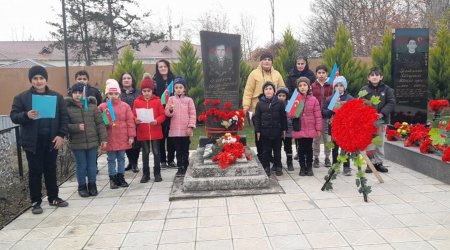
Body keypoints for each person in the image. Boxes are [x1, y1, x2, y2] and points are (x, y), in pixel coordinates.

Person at [10, 65, 69, 214]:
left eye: (41, 78)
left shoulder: (57, 97)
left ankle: (53, 197)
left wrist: (61, 135)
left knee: (51, 170)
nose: (38, 81)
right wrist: (26, 115)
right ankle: (36, 201)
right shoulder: (21, 97)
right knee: (35, 172)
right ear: (31, 80)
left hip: (52, 140)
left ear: (45, 79)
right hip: (32, 142)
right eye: (35, 78)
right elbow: (14, 116)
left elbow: (64, 118)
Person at [65, 82, 107, 197]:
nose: (78, 95)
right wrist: (76, 127)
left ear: (85, 94)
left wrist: (103, 139)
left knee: (92, 166)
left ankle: (92, 185)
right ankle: (82, 186)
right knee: (81, 165)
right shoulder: (67, 108)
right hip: (77, 143)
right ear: (71, 94)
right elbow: (64, 125)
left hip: (92, 142)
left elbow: (100, 124)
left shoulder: (92, 107)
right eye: (75, 93)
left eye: (80, 93)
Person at [242, 51, 285, 162]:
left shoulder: (277, 74)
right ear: (261, 61)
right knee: (259, 132)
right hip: (257, 108)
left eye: (269, 59)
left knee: (273, 133)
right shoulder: (254, 74)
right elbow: (248, 91)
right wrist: (246, 106)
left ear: (272, 62)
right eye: (264, 59)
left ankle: (271, 156)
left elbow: (282, 89)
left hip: (274, 108)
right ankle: (261, 154)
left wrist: (283, 104)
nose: (267, 61)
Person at [99, 79, 136, 189]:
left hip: (122, 136)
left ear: (119, 93)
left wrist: (131, 136)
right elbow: (99, 123)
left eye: (116, 93)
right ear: (107, 94)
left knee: (121, 158)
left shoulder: (125, 106)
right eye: (110, 93)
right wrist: (106, 122)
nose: (113, 96)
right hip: (110, 137)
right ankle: (112, 178)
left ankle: (121, 176)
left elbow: (130, 122)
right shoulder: (102, 107)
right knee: (111, 159)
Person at [360, 67, 395, 173]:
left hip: (381, 121)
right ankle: (370, 163)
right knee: (369, 142)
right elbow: (360, 102)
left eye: (377, 75)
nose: (374, 77)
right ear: (368, 77)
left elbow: (391, 102)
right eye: (372, 75)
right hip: (368, 121)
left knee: (379, 142)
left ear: (381, 77)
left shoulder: (387, 89)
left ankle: (379, 163)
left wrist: (382, 113)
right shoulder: (364, 90)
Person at [133, 78, 166, 183]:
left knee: (156, 152)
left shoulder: (157, 101)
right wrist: (135, 120)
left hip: (155, 131)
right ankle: (145, 174)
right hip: (143, 132)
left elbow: (162, 115)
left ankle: (157, 174)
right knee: (145, 153)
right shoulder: (137, 101)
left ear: (152, 91)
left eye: (149, 91)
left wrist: (157, 121)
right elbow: (133, 114)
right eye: (144, 91)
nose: (146, 93)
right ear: (141, 91)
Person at [285, 56, 316, 161]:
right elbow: (288, 88)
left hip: (308, 101)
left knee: (307, 127)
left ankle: (308, 151)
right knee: (297, 126)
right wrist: (294, 97)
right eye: (298, 63)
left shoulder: (311, 75)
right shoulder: (291, 74)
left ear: (306, 64)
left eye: (302, 63)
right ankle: (299, 151)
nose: (300, 65)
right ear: (295, 64)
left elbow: (313, 87)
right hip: (295, 101)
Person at [254, 82, 287, 176]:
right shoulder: (259, 104)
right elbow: (257, 119)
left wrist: (284, 129)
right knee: (266, 151)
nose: (268, 91)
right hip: (265, 132)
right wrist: (258, 131)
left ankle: (278, 166)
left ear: (274, 91)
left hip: (277, 131)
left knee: (277, 151)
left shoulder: (279, 103)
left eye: (270, 89)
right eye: (266, 89)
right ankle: (266, 167)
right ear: (263, 91)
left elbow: (283, 117)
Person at [165, 77, 196, 177]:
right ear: (174, 89)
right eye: (176, 87)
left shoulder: (189, 100)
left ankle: (185, 166)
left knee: (185, 149)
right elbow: (167, 114)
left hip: (185, 130)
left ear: (184, 89)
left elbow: (192, 114)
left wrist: (190, 126)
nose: (178, 89)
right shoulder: (171, 99)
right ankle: (180, 167)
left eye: (180, 87)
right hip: (175, 131)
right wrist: (170, 110)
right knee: (178, 150)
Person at [322, 76, 353, 176]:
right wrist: (332, 108)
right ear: (334, 87)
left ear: (345, 87)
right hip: (334, 127)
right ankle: (335, 165)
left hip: (346, 127)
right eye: (337, 86)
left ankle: (346, 166)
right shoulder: (329, 99)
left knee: (345, 147)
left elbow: (354, 113)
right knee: (335, 147)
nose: (339, 88)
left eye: (341, 86)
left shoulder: (350, 98)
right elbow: (324, 113)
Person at [291, 77, 322, 176]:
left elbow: (318, 115)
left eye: (304, 85)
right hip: (300, 128)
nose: (302, 87)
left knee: (309, 148)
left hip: (310, 128)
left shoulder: (314, 100)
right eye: (300, 86)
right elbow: (290, 114)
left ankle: (309, 167)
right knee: (300, 149)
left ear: (308, 87)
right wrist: (298, 106)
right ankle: (302, 167)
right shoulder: (295, 99)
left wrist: (318, 128)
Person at [153, 59, 176, 169]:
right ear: (157, 69)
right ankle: (162, 160)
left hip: (172, 111)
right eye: (160, 67)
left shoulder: (174, 79)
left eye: (164, 66)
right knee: (161, 137)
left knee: (172, 137)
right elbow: (152, 96)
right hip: (159, 111)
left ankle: (171, 159)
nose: (162, 68)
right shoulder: (154, 81)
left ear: (168, 67)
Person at [311, 65, 333, 168]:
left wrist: (330, 112)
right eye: (319, 73)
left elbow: (334, 100)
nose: (321, 75)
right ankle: (316, 157)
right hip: (316, 116)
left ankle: (327, 157)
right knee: (316, 138)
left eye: (323, 73)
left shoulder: (331, 86)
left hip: (327, 116)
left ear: (327, 74)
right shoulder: (312, 86)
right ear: (316, 74)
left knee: (327, 138)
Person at [118, 72, 141, 173]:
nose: (126, 80)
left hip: (136, 121)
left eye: (128, 78)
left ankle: (135, 163)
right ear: (121, 81)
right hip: (122, 123)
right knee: (127, 142)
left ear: (132, 80)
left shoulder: (138, 93)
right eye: (124, 78)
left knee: (136, 143)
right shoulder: (118, 94)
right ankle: (130, 162)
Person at [275, 87, 294, 171]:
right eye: (279, 95)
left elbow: (292, 116)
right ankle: (277, 163)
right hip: (277, 130)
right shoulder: (274, 104)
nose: (281, 97)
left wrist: (289, 124)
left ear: (286, 96)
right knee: (277, 147)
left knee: (288, 147)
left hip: (288, 130)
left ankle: (289, 162)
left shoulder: (290, 104)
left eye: (283, 95)